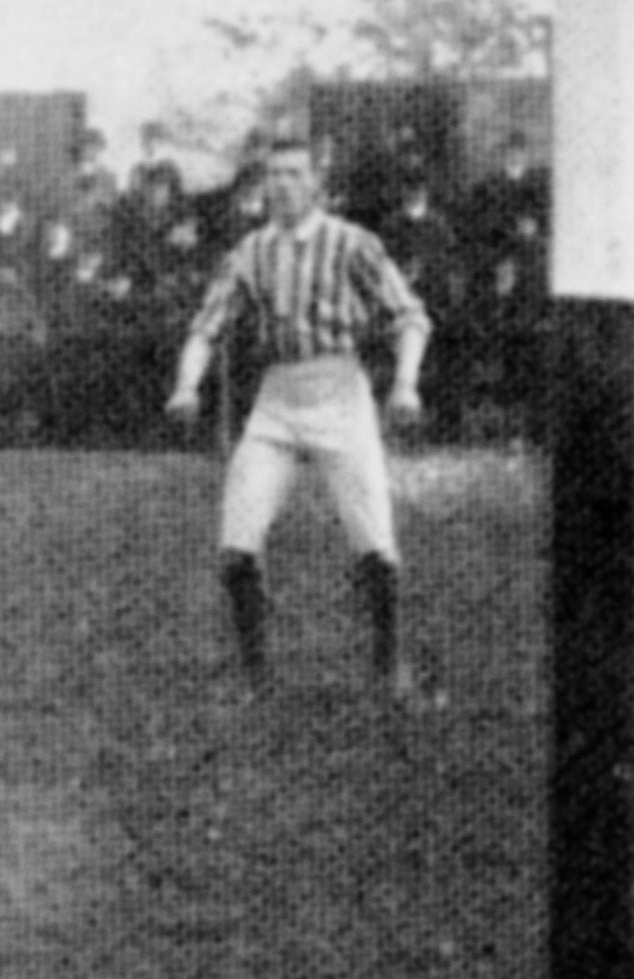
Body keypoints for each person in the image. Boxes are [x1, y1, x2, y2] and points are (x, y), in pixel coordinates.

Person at [162, 130, 437, 703]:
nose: (283, 186)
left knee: (376, 544)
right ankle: (253, 677)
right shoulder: (251, 251)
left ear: (317, 182)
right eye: (274, 175)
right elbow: (206, 327)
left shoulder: (352, 243)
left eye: (295, 174)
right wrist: (187, 384)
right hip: (278, 398)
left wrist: (406, 384)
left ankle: (391, 670)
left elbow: (409, 316)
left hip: (340, 390)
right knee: (237, 542)